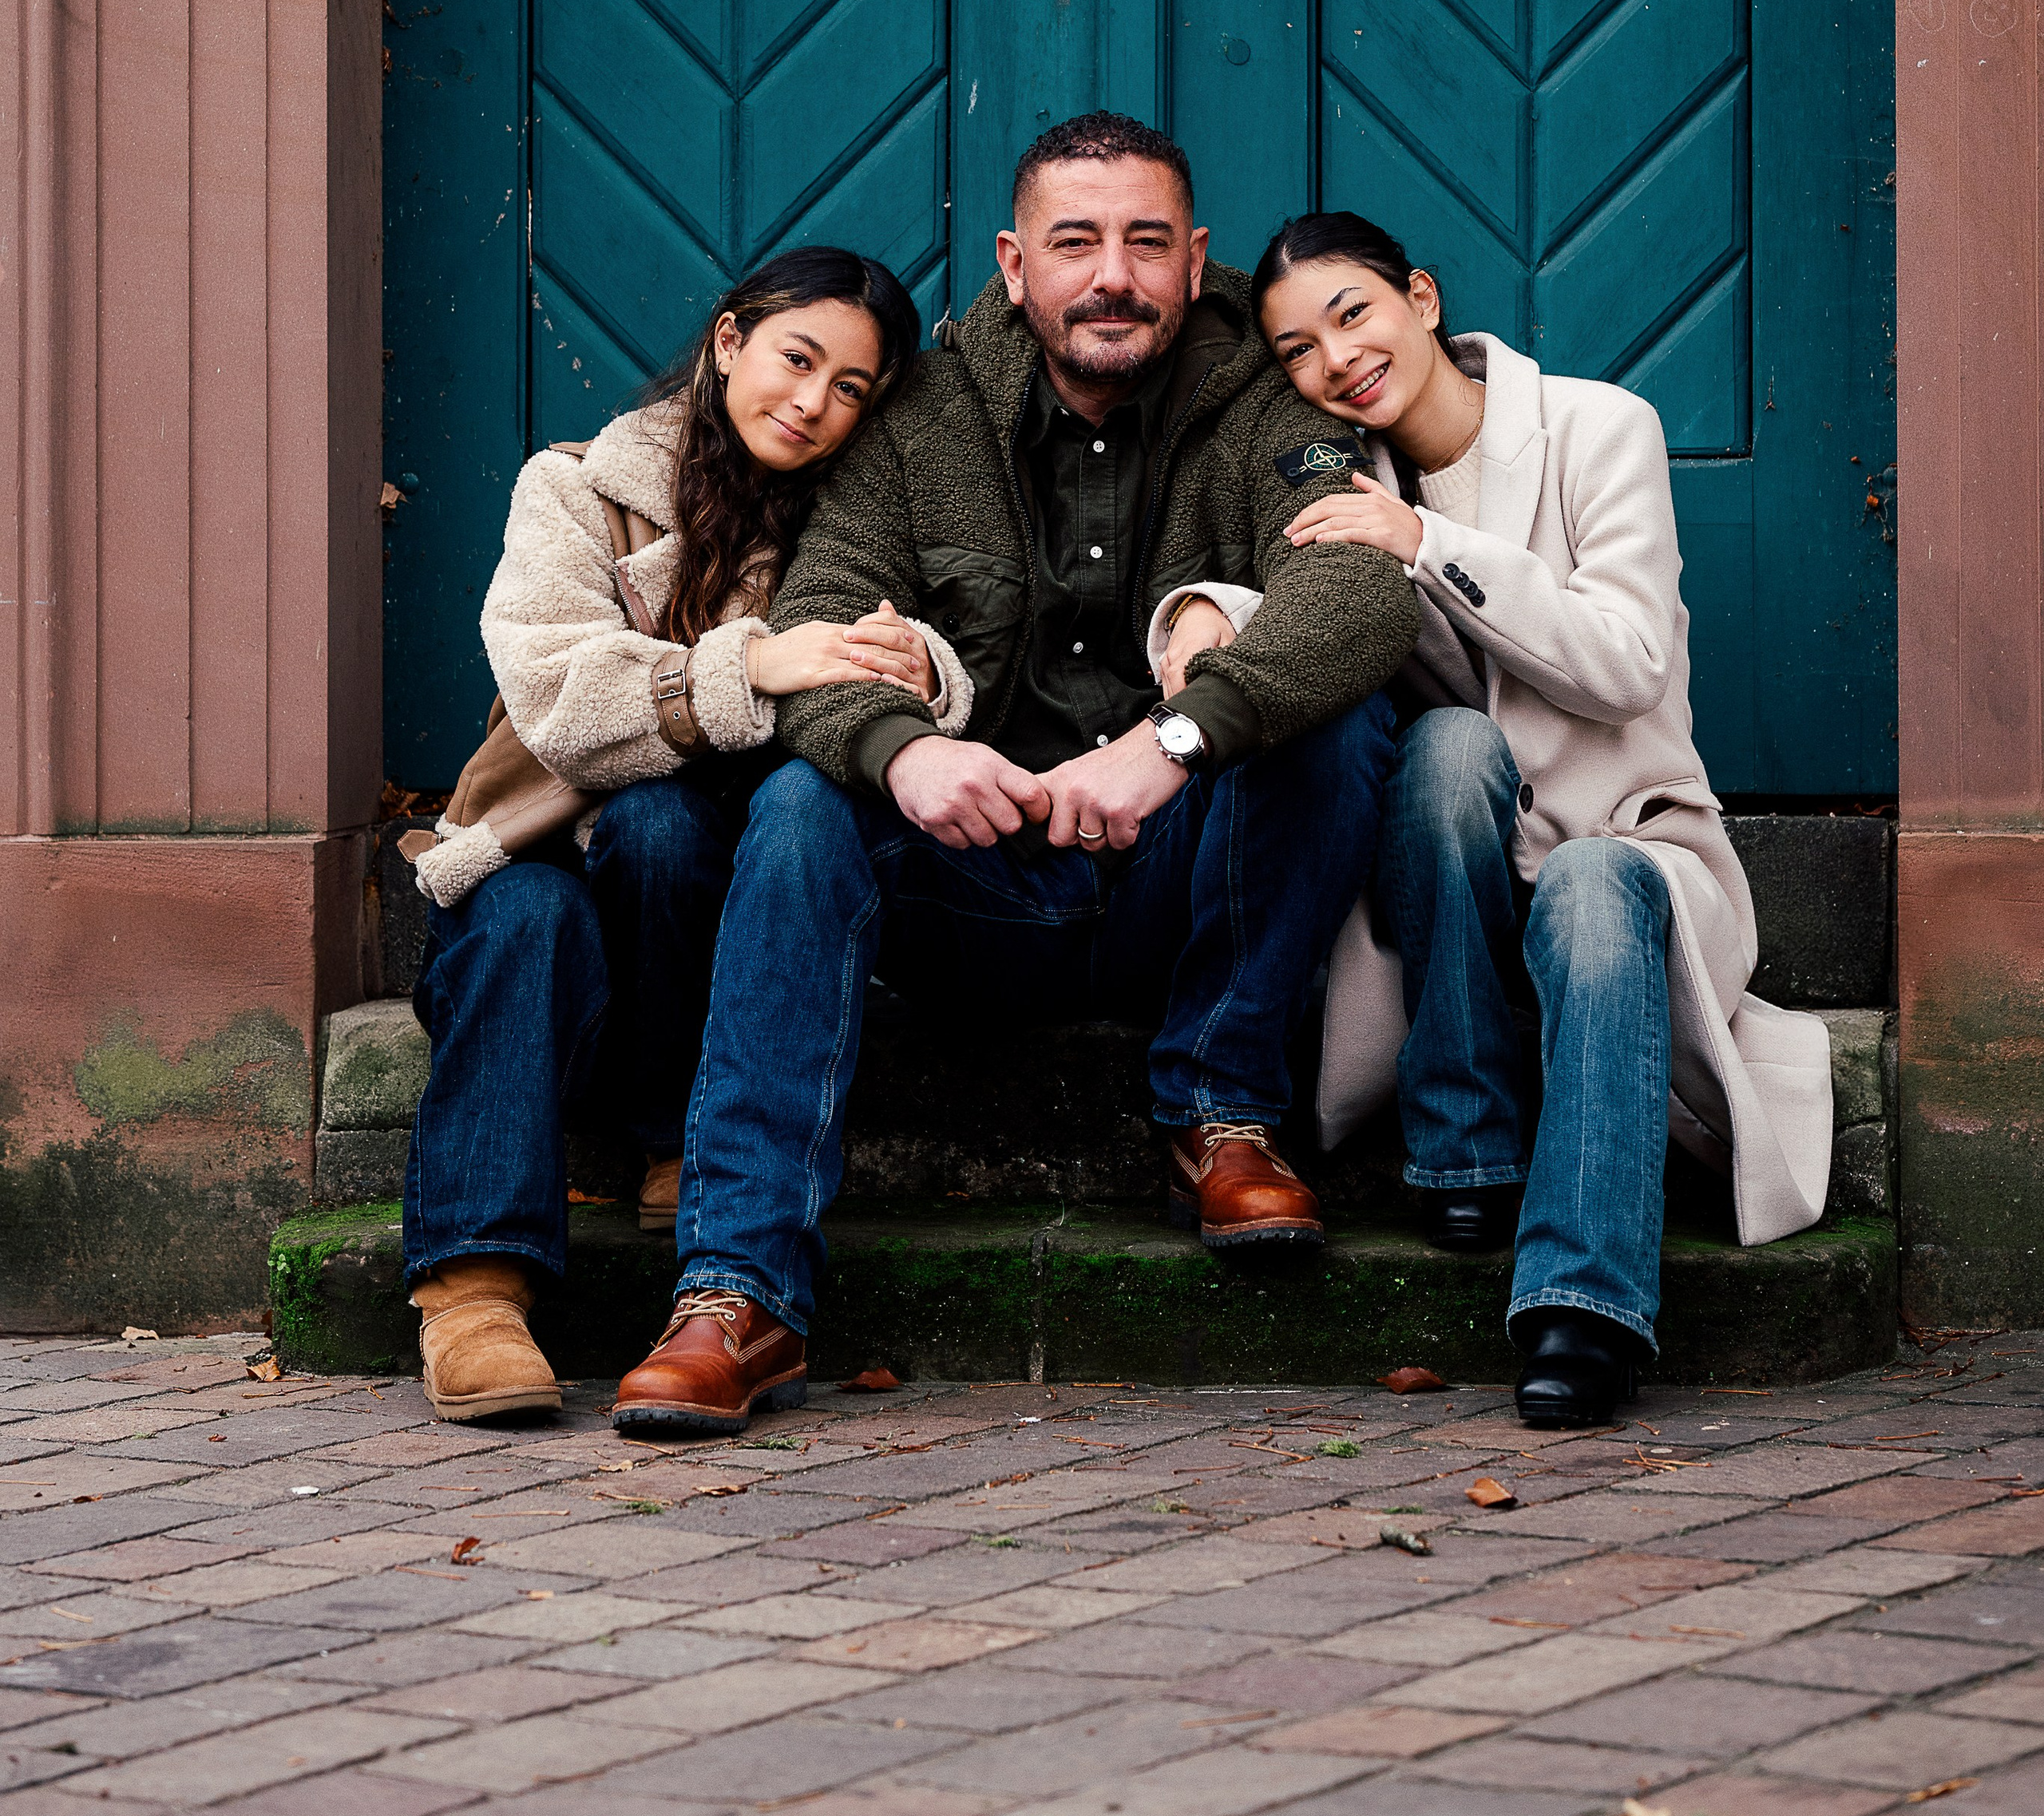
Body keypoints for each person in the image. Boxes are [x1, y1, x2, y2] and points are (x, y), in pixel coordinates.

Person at [608, 115, 1420, 1437]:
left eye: (1148, 242)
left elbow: (1359, 594)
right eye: (1076, 242)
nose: (1115, 275)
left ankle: (1221, 1113)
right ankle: (739, 1291)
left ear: (1194, 253)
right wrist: (904, 748)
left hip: (1180, 865)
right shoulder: (921, 405)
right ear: (1014, 262)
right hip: (973, 884)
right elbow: (820, 614)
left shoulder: (1268, 393)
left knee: (1340, 717)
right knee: (807, 803)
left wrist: (1174, 742)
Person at [1163, 210, 1833, 1430]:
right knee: (1446, 746)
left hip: (1628, 860)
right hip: (1454, 885)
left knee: (1587, 877)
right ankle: (1465, 1147)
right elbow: (1292, 594)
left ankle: (1585, 1303)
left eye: (1352, 312)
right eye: (1298, 349)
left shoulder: (1595, 426)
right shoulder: (1344, 477)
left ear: (1419, 296)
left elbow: (1627, 662)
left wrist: (1433, 543)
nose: (1336, 361)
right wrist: (1204, 614)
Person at [402, 247, 972, 1425]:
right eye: (796, 358)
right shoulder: (575, 486)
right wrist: (757, 661)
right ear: (728, 342)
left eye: (852, 388)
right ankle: (473, 1292)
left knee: (673, 828)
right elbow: (558, 687)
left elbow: (911, 658)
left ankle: (681, 1144)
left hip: (707, 930)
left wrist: (927, 671)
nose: (814, 402)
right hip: (547, 870)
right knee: (532, 902)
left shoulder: (852, 518)